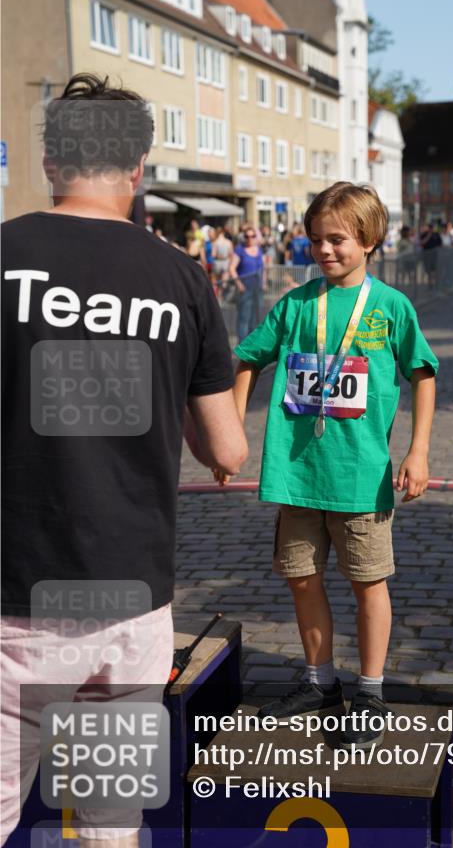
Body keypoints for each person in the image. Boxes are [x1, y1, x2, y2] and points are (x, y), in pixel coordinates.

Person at [0, 73, 248, 847]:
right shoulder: (180, 278)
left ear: (49, 159)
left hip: (15, 599)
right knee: (108, 828)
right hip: (131, 609)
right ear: (137, 168)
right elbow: (227, 451)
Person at [226, 182, 438, 749]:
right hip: (297, 473)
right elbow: (247, 357)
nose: (324, 250)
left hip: (360, 476)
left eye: (337, 239)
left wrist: (417, 450)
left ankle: (370, 691)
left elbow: (423, 373)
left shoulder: (391, 306)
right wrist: (229, 428)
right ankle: (320, 681)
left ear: (368, 240)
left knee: (369, 582)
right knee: (301, 578)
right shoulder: (296, 304)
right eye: (315, 239)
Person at [229, 225, 265, 342]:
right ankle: (242, 345)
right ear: (244, 237)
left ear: (255, 237)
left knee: (256, 317)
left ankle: (252, 344)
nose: (250, 238)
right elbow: (232, 269)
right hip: (244, 288)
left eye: (252, 236)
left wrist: (264, 283)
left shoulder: (259, 250)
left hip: (257, 288)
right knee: (244, 317)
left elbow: (262, 268)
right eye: (247, 236)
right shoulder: (240, 250)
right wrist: (239, 284)